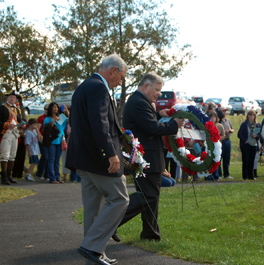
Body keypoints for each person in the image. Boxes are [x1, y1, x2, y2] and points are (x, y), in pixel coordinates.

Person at [66, 54, 129, 265]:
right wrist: (111, 153)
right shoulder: (98, 87)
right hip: (98, 158)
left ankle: (93, 250)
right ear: (113, 71)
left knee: (93, 204)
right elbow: (100, 123)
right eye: (121, 77)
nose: (120, 81)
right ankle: (92, 247)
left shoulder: (85, 85)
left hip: (83, 158)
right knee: (120, 198)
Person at [117, 72, 184, 242]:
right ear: (146, 86)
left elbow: (147, 122)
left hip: (146, 158)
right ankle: (110, 222)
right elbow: (152, 128)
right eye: (157, 90)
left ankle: (150, 234)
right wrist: (173, 125)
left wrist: (160, 114)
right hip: (145, 158)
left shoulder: (140, 101)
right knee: (149, 196)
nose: (159, 94)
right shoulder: (139, 102)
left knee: (151, 198)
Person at [0, 91, 22, 185]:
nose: (12, 99)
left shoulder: (17, 110)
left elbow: (19, 121)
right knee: (5, 155)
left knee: (12, 156)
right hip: (6, 133)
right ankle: (4, 177)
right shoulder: (2, 108)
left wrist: (22, 125)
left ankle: (9, 176)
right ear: (7, 98)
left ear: (16, 100)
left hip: (15, 134)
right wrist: (6, 125)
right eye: (10, 97)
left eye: (14, 97)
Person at [43, 102, 69, 184]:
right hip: (52, 140)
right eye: (54, 107)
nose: (55, 109)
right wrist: (53, 120)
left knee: (57, 160)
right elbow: (46, 129)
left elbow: (69, 120)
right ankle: (52, 177)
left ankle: (57, 177)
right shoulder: (47, 119)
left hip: (60, 140)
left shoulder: (61, 117)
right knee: (51, 159)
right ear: (51, 108)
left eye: (57, 107)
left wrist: (67, 111)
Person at [237, 110, 261, 180]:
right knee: (246, 161)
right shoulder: (244, 124)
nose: (252, 116)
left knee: (252, 161)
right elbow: (239, 134)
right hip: (246, 144)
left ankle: (251, 175)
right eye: (250, 114)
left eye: (253, 115)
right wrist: (245, 140)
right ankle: (245, 175)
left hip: (254, 144)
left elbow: (259, 135)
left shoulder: (257, 124)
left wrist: (256, 136)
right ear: (247, 116)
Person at [205, 111, 225, 181]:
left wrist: (218, 139)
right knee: (208, 160)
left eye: (214, 117)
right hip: (209, 145)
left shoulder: (219, 126)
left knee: (216, 160)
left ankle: (216, 175)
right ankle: (208, 176)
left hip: (217, 145)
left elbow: (223, 135)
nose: (213, 118)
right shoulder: (206, 125)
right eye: (211, 117)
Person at [219, 108, 234, 179]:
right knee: (219, 157)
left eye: (225, 111)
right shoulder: (219, 121)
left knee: (227, 158)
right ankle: (219, 174)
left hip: (228, 140)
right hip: (222, 141)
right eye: (223, 111)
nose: (225, 113)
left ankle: (226, 174)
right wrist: (224, 132)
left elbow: (232, 129)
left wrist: (230, 130)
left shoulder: (228, 120)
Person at [36, 104, 49, 181]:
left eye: (47, 109)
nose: (46, 110)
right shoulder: (41, 118)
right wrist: (40, 137)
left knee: (49, 157)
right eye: (45, 109)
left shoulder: (51, 118)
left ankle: (46, 175)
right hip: (42, 139)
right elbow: (38, 128)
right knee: (45, 156)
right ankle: (39, 174)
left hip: (50, 140)